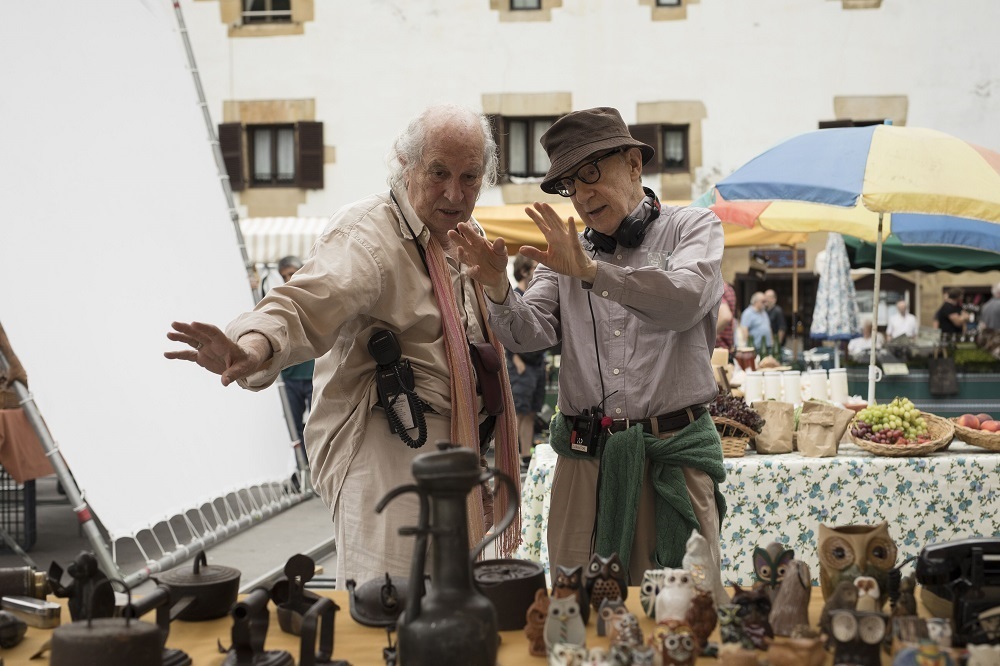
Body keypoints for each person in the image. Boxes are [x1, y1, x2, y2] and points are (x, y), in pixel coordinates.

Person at [165, 104, 521, 587]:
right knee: (387, 608)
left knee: (453, 611)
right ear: (405, 162)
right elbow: (303, 303)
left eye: (470, 177)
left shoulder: (467, 235)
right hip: (389, 452)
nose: (454, 193)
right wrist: (250, 346)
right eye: (439, 173)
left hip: (460, 454)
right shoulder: (369, 234)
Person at [450, 106, 727, 585]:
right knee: (573, 608)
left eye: (591, 175)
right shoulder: (567, 255)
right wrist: (497, 288)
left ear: (635, 165)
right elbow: (527, 332)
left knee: (683, 610)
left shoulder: (693, 228)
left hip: (670, 457)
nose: (581, 194)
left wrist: (596, 274)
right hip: (585, 462)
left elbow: (685, 301)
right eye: (570, 186)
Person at [506, 254, 548, 472]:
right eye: (534, 266)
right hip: (521, 364)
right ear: (524, 271)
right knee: (519, 412)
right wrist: (514, 358)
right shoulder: (515, 296)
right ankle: (512, 455)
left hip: (537, 363)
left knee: (532, 411)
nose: (538, 270)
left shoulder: (537, 295)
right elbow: (503, 330)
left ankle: (525, 456)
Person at [275, 255, 315, 463]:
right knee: (294, 425)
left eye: (292, 273)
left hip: (313, 373)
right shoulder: (279, 299)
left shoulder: (314, 294)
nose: (289, 278)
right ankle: (304, 466)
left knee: (318, 422)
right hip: (290, 375)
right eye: (284, 276)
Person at [714, 281, 738, 353]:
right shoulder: (728, 288)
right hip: (725, 348)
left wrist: (709, 335)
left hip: (718, 349)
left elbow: (726, 317)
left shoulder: (717, 287)